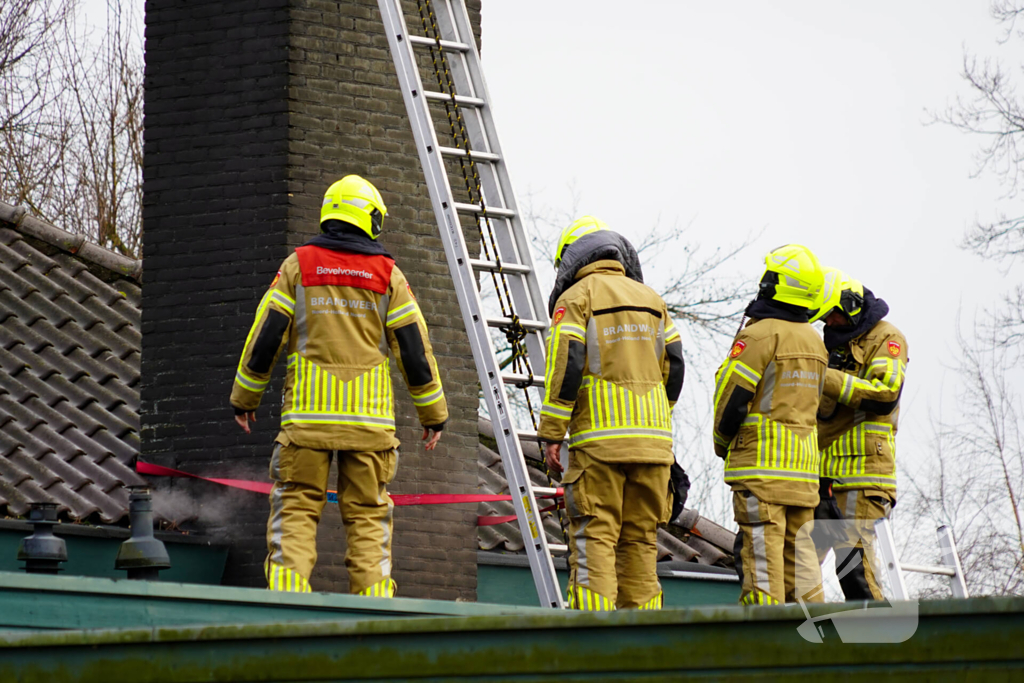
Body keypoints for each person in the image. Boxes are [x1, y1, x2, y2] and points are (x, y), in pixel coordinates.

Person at [229, 175, 448, 596]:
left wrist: (245, 397)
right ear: (370, 219)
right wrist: (433, 415)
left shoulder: (298, 267)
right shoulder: (389, 276)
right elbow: (414, 350)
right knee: (368, 518)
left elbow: (266, 335)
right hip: (369, 429)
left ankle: (288, 607)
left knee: (294, 510)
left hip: (306, 426)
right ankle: (375, 614)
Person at [539, 216, 685, 611]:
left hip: (599, 447)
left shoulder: (577, 298)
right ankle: (641, 644)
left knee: (596, 537)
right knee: (641, 540)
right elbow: (675, 368)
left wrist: (552, 434)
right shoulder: (653, 300)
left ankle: (592, 640)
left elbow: (566, 365)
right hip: (654, 450)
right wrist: (654, 419)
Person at [712, 244, 827, 606]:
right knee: (804, 569)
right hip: (804, 476)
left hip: (762, 475)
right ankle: (813, 646)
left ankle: (765, 647)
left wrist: (721, 443)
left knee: (763, 568)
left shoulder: (760, 336)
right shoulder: (815, 342)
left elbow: (732, 399)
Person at [811, 267, 907, 601]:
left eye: (833, 316)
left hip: (863, 476)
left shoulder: (886, 338)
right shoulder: (829, 342)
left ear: (851, 304)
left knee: (856, 574)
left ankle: (879, 644)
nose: (829, 324)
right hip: (823, 476)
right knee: (795, 570)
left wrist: (824, 376)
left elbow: (884, 395)